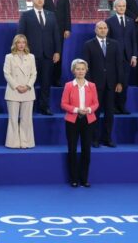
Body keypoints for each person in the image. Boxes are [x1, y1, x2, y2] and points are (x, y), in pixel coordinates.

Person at [17, 0, 62, 116]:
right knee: (28, 82)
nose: (40, 0)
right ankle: (27, 107)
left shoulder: (51, 15)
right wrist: (22, 52)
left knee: (46, 82)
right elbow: (20, 34)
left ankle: (44, 107)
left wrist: (57, 51)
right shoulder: (26, 15)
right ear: (32, 0)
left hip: (48, 55)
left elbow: (56, 35)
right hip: (30, 55)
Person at [80, 22, 124, 148]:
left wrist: (120, 81)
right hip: (95, 85)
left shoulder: (115, 44)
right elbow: (86, 66)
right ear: (95, 30)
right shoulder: (88, 44)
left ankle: (107, 138)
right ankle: (94, 139)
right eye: (100, 28)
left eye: (105, 28)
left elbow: (119, 64)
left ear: (108, 29)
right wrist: (88, 84)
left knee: (109, 113)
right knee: (95, 113)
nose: (103, 30)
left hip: (111, 84)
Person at [61, 59, 98, 188]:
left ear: (86, 70)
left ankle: (84, 179)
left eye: (83, 69)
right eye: (78, 69)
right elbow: (64, 103)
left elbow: (96, 103)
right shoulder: (68, 85)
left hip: (88, 120)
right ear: (73, 71)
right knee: (72, 149)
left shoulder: (92, 86)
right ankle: (74, 179)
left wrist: (88, 110)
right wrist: (76, 110)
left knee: (86, 150)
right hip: (72, 120)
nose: (80, 71)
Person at [3, 34, 36, 149]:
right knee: (13, 119)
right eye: (19, 42)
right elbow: (7, 73)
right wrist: (17, 86)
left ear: (26, 44)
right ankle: (13, 143)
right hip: (13, 91)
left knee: (26, 119)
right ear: (15, 44)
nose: (21, 45)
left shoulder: (31, 57)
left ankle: (26, 142)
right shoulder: (9, 57)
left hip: (28, 91)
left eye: (23, 42)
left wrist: (27, 86)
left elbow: (34, 73)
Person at [105, 0, 136, 115]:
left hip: (127, 57)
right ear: (115, 7)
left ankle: (121, 106)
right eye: (119, 6)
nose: (122, 8)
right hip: (113, 57)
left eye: (124, 6)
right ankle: (112, 107)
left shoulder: (130, 21)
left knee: (124, 82)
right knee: (113, 82)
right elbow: (107, 40)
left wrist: (134, 56)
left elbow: (133, 40)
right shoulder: (109, 21)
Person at [42, 0, 71, 84]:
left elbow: (67, 12)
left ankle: (56, 79)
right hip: (46, 29)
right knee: (47, 53)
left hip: (60, 30)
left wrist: (67, 28)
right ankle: (46, 79)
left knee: (59, 53)